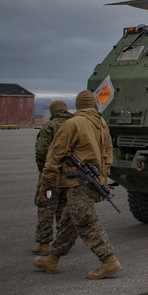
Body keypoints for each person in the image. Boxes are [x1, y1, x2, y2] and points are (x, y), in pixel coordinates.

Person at [33, 90, 122, 279]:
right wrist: (103, 176)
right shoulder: (101, 123)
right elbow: (108, 151)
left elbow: (54, 156)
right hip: (93, 179)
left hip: (78, 181)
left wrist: (45, 184)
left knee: (83, 219)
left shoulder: (73, 123)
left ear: (78, 104)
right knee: (68, 221)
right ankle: (53, 258)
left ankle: (108, 260)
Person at [33, 100, 73, 255]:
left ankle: (44, 244)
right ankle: (63, 243)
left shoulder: (49, 126)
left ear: (53, 112)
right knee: (63, 207)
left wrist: (44, 171)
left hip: (52, 175)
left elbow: (41, 152)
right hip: (69, 175)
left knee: (47, 205)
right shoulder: (74, 125)